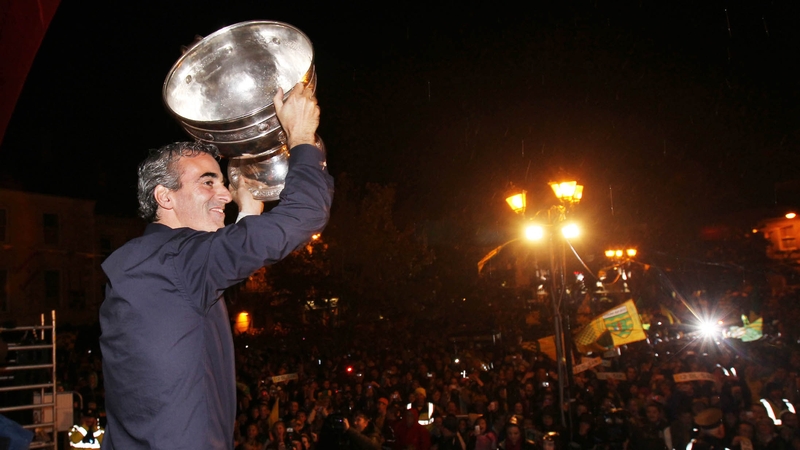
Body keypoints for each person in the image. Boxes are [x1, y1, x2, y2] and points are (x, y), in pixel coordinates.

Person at [98, 82, 333, 450]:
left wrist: (247, 217)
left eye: (223, 183)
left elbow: (199, 290)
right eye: (208, 182)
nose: (224, 194)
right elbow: (303, 216)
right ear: (165, 196)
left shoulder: (148, 263)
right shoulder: (180, 259)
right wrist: (302, 136)